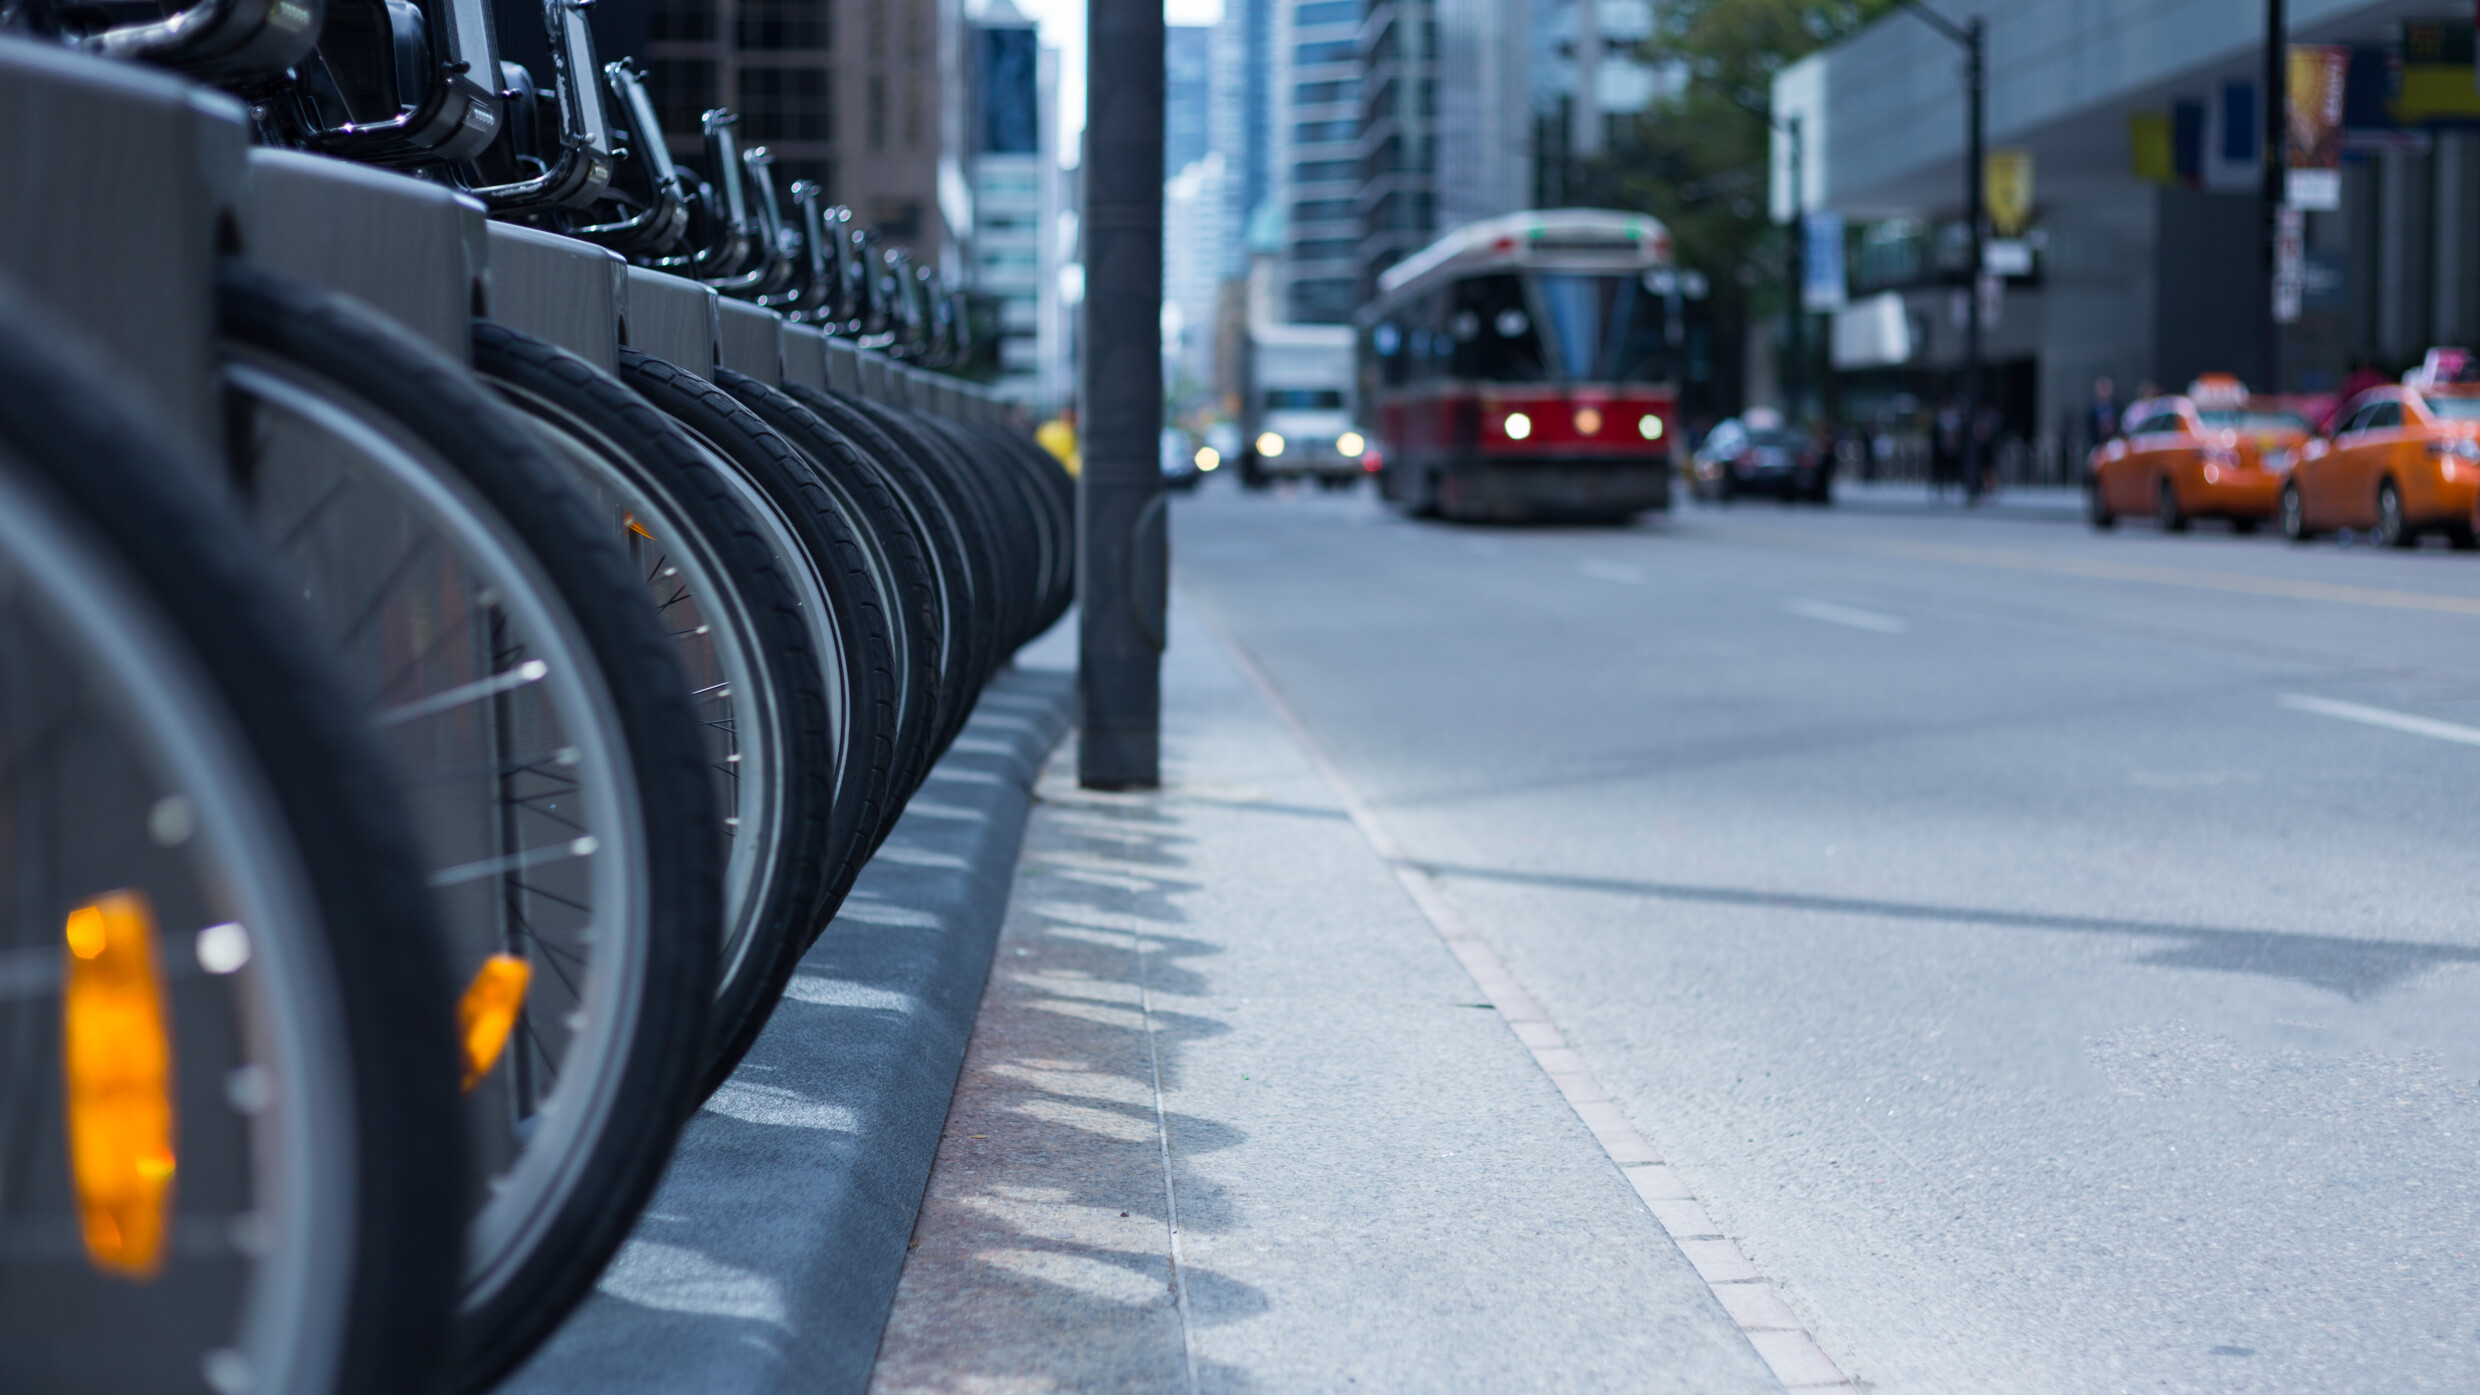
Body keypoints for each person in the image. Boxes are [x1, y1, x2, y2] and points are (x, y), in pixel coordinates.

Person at [2085, 376, 2119, 457]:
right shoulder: (2092, 409)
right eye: (2102, 389)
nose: (2104, 391)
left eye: (2106, 388)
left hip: (2114, 443)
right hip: (2097, 444)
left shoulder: (2117, 407)